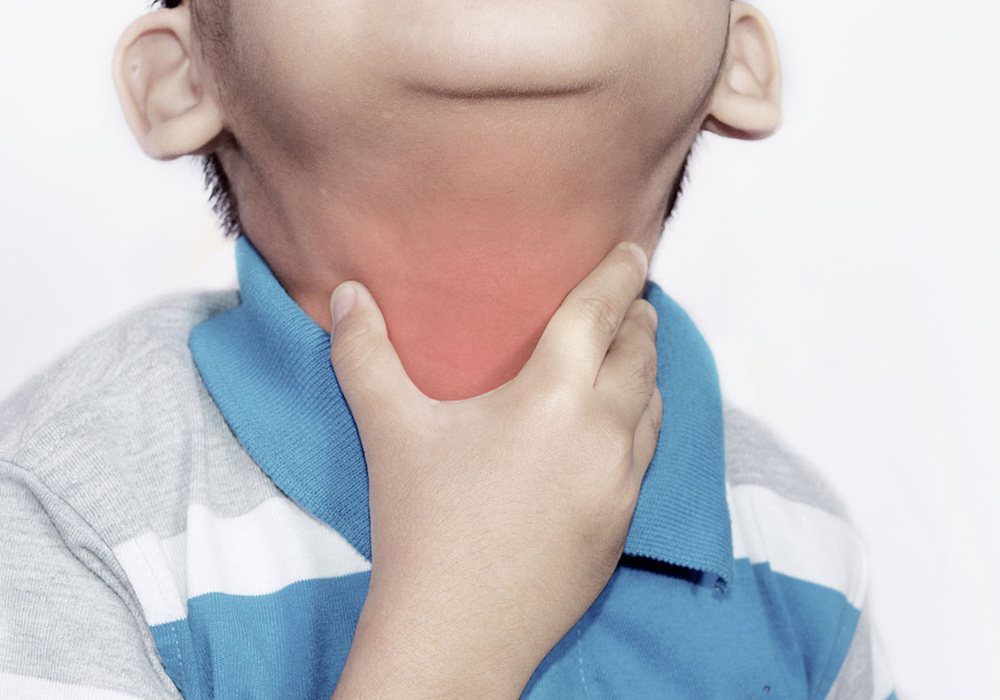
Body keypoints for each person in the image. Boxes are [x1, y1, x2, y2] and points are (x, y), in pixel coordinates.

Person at [0, 0, 896, 698]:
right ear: (181, 76)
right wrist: (455, 639)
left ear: (739, 60)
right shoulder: (61, 516)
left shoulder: (802, 546)